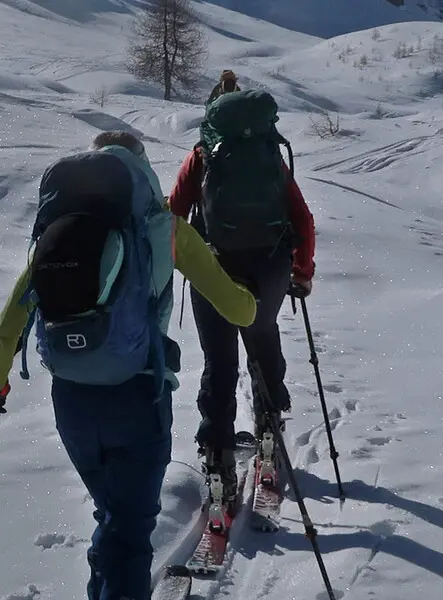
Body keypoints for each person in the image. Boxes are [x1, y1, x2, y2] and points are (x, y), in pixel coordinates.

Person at [0, 131, 257, 600]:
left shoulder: (59, 229)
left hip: (71, 398)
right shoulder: (165, 228)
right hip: (137, 395)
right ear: (141, 172)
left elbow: (11, 321)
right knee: (128, 531)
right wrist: (252, 292)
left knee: (110, 514)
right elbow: (239, 311)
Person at [165, 87, 317, 486]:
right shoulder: (271, 156)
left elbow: (173, 216)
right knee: (263, 337)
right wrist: (301, 271)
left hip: (214, 267)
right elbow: (302, 219)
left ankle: (218, 456)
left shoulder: (201, 156)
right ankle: (268, 432)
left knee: (219, 359)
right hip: (270, 266)